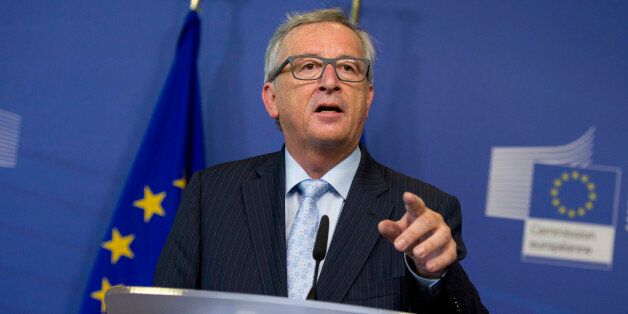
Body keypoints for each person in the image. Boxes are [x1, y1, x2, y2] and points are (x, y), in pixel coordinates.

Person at [155, 8, 487, 313]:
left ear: (368, 97)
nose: (330, 82)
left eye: (348, 68)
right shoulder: (210, 195)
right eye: (309, 66)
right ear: (272, 99)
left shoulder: (423, 212)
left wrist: (435, 277)